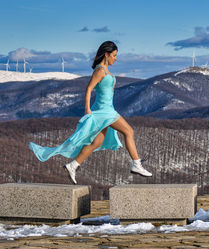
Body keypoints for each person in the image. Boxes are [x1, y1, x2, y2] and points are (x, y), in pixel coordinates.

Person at [29, 41, 152, 184]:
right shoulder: (100, 71)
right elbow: (88, 89)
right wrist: (87, 109)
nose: (116, 58)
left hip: (107, 110)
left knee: (97, 142)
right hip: (104, 112)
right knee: (129, 132)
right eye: (114, 55)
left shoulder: (105, 70)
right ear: (106, 54)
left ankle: (73, 165)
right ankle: (136, 165)